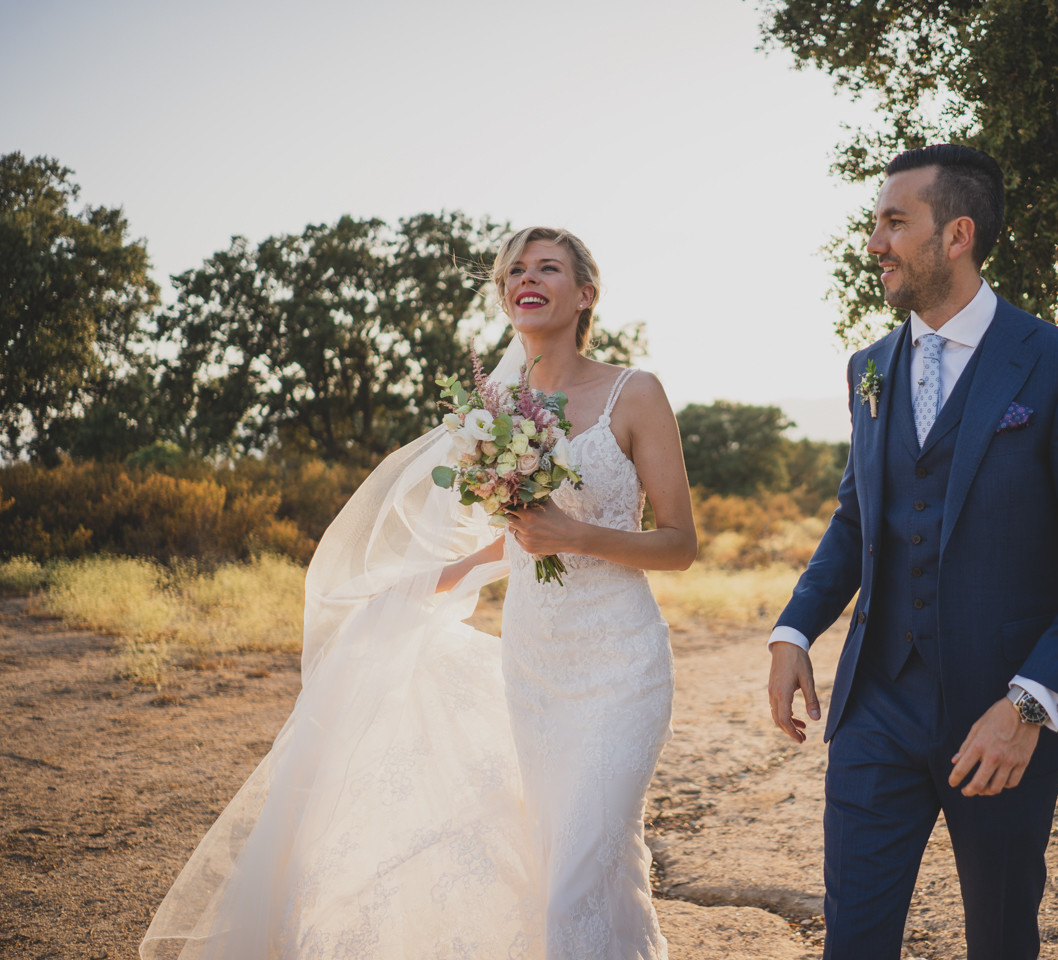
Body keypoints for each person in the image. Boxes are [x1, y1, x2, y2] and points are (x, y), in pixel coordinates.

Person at [140, 226, 696, 960]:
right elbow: (517, 537)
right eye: (514, 271)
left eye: (548, 268)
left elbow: (680, 544)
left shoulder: (635, 392)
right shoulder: (494, 410)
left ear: (585, 294)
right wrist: (419, 587)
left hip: (620, 662)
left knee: (583, 866)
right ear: (504, 296)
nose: (526, 279)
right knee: (574, 860)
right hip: (534, 665)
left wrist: (575, 536)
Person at [766, 144, 1058, 960]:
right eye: (875, 222)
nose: (874, 242)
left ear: (957, 235)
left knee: (1001, 938)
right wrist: (795, 630)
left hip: (1001, 712)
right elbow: (855, 522)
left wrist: (1030, 706)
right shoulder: (868, 367)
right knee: (854, 939)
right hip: (876, 703)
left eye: (893, 223)